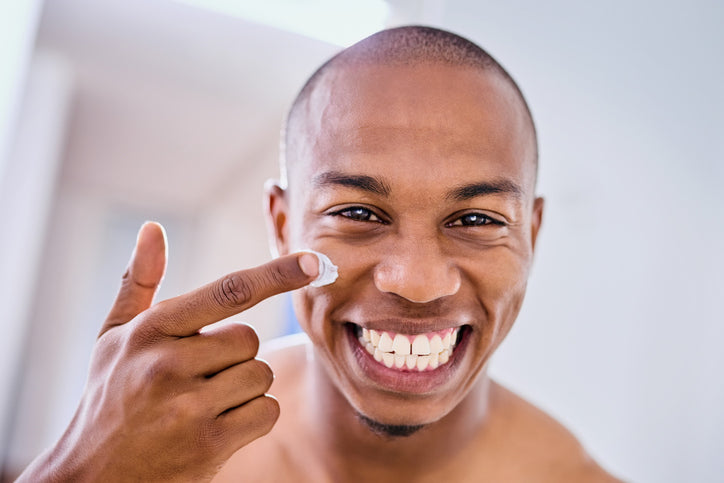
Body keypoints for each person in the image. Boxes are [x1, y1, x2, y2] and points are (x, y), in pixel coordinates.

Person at [18, 26, 621, 482]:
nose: (415, 281)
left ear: (532, 235)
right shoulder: (155, 456)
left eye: (476, 220)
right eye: (358, 213)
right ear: (282, 225)